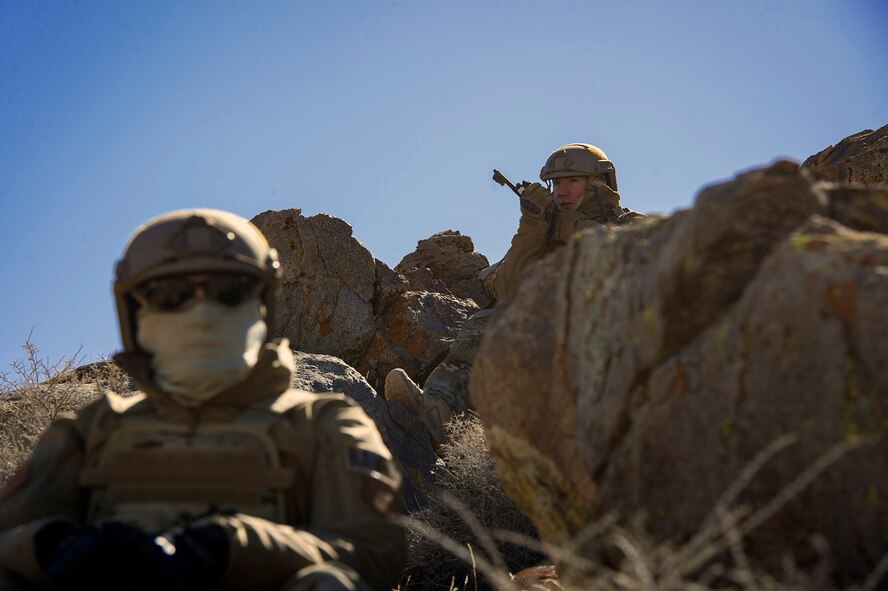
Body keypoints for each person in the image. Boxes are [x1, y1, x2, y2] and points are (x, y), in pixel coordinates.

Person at [0, 209, 406, 591]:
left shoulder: (325, 422)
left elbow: (373, 554)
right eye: (169, 294)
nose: (202, 312)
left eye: (229, 291)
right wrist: (49, 546)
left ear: (262, 307)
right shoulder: (88, 429)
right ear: (134, 314)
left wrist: (229, 546)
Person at [384, 144, 644, 449]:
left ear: (598, 183)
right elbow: (507, 291)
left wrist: (572, 227)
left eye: (572, 181)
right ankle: (438, 416)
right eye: (556, 182)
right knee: (487, 322)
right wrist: (533, 228)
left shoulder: (628, 224)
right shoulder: (545, 233)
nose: (561, 191)